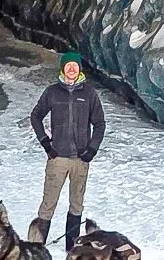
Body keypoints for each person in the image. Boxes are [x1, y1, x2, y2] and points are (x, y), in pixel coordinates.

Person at [28, 50, 106, 244]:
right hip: (58, 158)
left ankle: (71, 248)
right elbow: (35, 116)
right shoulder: (52, 92)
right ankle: (38, 246)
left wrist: (92, 149)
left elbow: (100, 123)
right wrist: (46, 143)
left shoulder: (89, 93)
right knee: (48, 203)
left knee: (77, 204)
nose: (71, 69)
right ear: (63, 68)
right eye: (68, 66)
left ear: (79, 68)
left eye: (75, 66)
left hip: (81, 159)